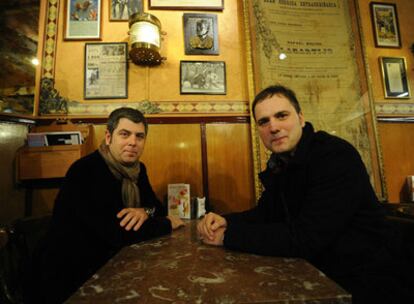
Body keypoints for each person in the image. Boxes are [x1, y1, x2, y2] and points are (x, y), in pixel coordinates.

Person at [197, 85, 413, 303]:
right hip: (320, 274)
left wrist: (228, 236)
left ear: (301, 118)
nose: (273, 127)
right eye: (264, 121)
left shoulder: (333, 155)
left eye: (281, 115)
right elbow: (266, 214)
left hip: (366, 284)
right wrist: (225, 221)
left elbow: (306, 238)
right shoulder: (283, 163)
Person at [24, 107, 184, 303]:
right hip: (69, 277)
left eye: (139, 136)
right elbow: (117, 233)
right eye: (125, 134)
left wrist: (145, 211)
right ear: (108, 137)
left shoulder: (138, 170)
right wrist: (166, 224)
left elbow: (156, 208)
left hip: (112, 265)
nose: (133, 142)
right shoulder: (85, 170)